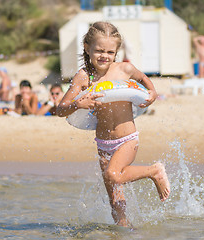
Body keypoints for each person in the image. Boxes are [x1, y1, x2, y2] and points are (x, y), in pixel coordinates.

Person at [56, 21, 170, 227]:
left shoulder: (124, 69)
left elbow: (144, 79)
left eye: (110, 51)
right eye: (99, 50)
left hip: (127, 139)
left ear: (116, 51)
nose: (104, 56)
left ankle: (154, 171)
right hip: (103, 144)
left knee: (114, 175)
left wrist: (152, 93)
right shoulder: (84, 77)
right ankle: (124, 228)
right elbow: (60, 109)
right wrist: (78, 104)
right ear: (87, 48)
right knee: (115, 201)